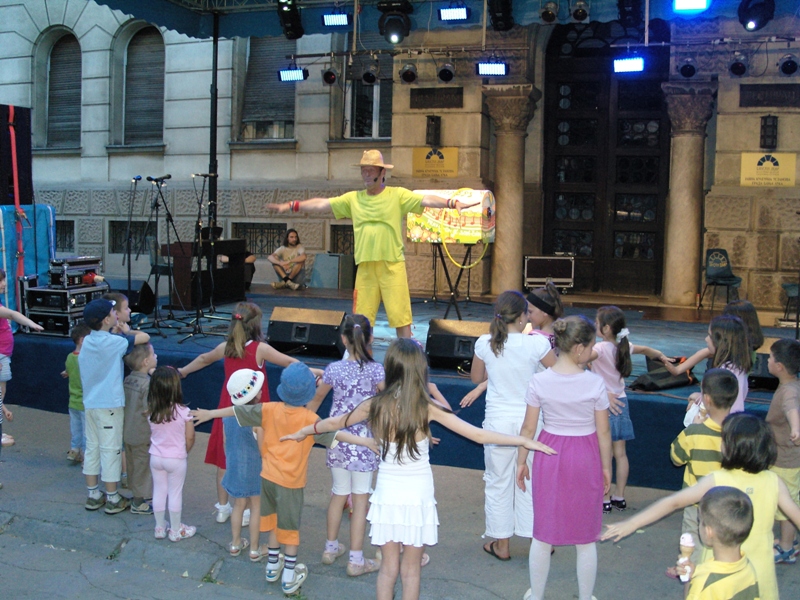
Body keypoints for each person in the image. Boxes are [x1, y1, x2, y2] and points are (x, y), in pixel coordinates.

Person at [282, 338, 556, 600]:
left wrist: (303, 431)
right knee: (411, 571)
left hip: (388, 495)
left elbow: (333, 423)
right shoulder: (427, 407)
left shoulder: (375, 404)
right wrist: (523, 440)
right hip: (417, 495)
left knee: (388, 568)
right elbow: (478, 434)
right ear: (420, 370)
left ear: (389, 368)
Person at [192, 363, 364, 595]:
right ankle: (289, 578)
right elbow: (336, 435)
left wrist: (210, 413)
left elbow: (236, 411)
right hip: (291, 484)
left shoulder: (269, 409)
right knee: (290, 531)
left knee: (273, 524)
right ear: (309, 393)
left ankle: (272, 567)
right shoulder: (310, 419)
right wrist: (366, 442)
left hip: (267, 479)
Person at [267, 149, 463, 338]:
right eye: (364, 170)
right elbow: (323, 204)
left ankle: (406, 355)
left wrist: (452, 203)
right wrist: (292, 205)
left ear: (382, 172)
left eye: (371, 170)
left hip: (392, 265)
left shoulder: (397, 195)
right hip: (365, 267)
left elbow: (426, 199)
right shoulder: (354, 199)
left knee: (401, 319)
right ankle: (361, 357)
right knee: (361, 321)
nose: (366, 174)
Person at [603, 413, 800, 600]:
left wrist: (632, 523)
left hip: (717, 576)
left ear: (732, 447)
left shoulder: (717, 479)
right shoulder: (774, 481)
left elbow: (674, 502)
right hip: (758, 576)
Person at [177, 302, 320, 525]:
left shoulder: (225, 347)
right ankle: (245, 509)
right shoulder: (260, 349)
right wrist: (313, 372)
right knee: (253, 459)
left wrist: (183, 371)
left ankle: (223, 507)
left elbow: (204, 359)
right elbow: (289, 362)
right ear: (256, 325)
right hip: (254, 412)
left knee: (225, 459)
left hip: (228, 408)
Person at [516, 315, 612, 600]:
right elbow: (604, 432)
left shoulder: (539, 381)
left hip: (550, 454)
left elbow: (528, 428)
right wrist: (606, 467)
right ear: (579, 348)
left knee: (543, 532)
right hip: (585, 455)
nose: (592, 351)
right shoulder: (595, 384)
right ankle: (585, 596)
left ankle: (537, 595)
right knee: (586, 536)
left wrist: (521, 461)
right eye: (591, 346)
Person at [462, 291, 555, 561]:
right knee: (532, 480)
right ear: (523, 316)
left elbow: (475, 378)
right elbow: (558, 372)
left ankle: (502, 544)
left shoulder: (485, 343)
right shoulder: (536, 344)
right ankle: (539, 540)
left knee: (498, 481)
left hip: (497, 423)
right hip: (531, 421)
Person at [308, 314, 384, 576]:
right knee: (360, 499)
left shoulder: (333, 369)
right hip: (366, 443)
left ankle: (330, 548)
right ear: (370, 338)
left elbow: (316, 400)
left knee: (338, 492)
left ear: (343, 339)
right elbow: (388, 400)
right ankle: (356, 559)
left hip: (337, 439)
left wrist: (304, 424)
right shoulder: (377, 370)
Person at [585, 306, 667, 513]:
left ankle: (604, 498)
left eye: (597, 323)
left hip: (604, 405)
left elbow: (581, 359)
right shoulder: (625, 346)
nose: (594, 325)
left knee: (603, 455)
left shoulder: (600, 348)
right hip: (621, 403)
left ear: (606, 328)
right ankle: (619, 495)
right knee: (620, 454)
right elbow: (646, 350)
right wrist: (661, 356)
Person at [80, 298, 150, 514]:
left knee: (92, 447)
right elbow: (144, 337)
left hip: (90, 404)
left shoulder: (88, 341)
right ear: (106, 320)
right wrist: (127, 331)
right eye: (113, 312)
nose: (116, 314)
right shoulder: (114, 342)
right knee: (111, 450)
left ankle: (93, 493)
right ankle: (112, 497)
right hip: (109, 405)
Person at [669, 368, 739, 576]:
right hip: (728, 505)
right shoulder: (738, 433)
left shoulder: (694, 432)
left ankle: (691, 585)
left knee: (690, 556)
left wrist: (691, 428)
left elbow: (676, 458)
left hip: (696, 505)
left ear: (706, 399)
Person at [460, 283, 563, 408]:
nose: (528, 316)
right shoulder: (556, 334)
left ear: (545, 312)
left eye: (530, 312)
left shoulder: (537, 340)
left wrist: (481, 387)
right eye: (527, 312)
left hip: (533, 401)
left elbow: (510, 369)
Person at [220, 368, 267, 561]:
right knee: (256, 506)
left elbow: (226, 442)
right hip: (255, 469)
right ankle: (254, 549)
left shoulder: (227, 416)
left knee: (238, 505)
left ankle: (235, 543)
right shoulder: (258, 419)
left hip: (235, 466)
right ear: (256, 396)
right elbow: (263, 449)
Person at [665, 314, 752, 416]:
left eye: (710, 336)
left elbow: (728, 409)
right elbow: (718, 399)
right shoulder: (733, 367)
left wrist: (699, 402)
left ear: (721, 342)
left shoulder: (727, 374)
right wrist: (699, 398)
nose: (706, 339)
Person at [684, 486, 760, 600]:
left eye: (700, 521)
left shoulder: (703, 586)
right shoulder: (747, 567)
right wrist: (696, 571)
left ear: (708, 532)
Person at [148, 366, 196, 542]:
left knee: (159, 490)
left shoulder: (151, 410)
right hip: (175, 458)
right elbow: (190, 437)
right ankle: (175, 530)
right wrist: (184, 450)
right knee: (175, 493)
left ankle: (159, 527)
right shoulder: (184, 412)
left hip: (156, 456)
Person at [766, 338, 800, 563]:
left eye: (769, 357)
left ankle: (786, 547)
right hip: (789, 455)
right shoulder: (793, 384)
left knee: (785, 503)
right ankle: (790, 540)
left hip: (786, 458)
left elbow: (791, 408)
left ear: (779, 366)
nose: (767, 360)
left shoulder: (788, 391)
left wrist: (796, 428)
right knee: (790, 498)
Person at [0, 268, 45, 406]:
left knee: (2, 390)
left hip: (4, 354)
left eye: (3, 280)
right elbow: (12, 314)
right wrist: (31, 323)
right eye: (0, 281)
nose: (4, 284)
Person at [123, 344, 158, 515]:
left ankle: (134, 492)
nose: (156, 356)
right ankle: (139, 501)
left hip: (127, 429)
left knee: (132, 464)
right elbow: (149, 410)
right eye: (153, 354)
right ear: (146, 362)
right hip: (141, 432)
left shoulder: (128, 379)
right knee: (142, 467)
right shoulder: (147, 384)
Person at [61, 322, 92, 465]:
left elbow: (68, 371)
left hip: (72, 400)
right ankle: (86, 455)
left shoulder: (70, 357)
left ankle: (74, 450)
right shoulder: (86, 359)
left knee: (76, 428)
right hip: (85, 401)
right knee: (87, 431)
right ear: (82, 340)